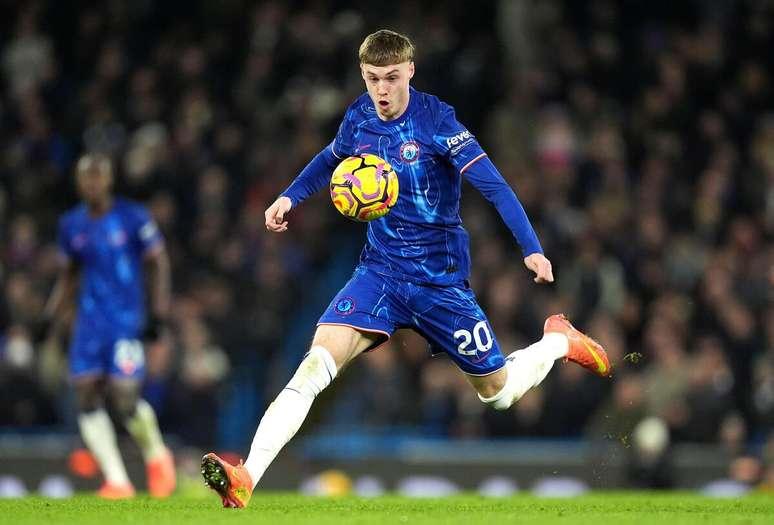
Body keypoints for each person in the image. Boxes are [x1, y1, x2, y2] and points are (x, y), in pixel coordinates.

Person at [201, 30, 611, 508]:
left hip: (440, 284)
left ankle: (560, 339)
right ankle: (247, 475)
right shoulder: (359, 118)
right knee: (315, 363)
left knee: (497, 393)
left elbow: (494, 185)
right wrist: (290, 195)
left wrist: (531, 248)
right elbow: (329, 159)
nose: (382, 90)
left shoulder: (438, 121)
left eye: (392, 78)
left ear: (410, 72)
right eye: (373, 79)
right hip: (381, 275)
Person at [43, 153, 176, 498]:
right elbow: (70, 274)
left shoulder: (133, 218)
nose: (91, 182)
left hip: (126, 321)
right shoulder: (71, 224)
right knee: (86, 394)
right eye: (85, 176)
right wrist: (52, 313)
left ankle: (157, 455)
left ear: (109, 179)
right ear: (78, 181)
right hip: (89, 324)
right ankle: (117, 480)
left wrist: (158, 311)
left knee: (125, 396)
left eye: (97, 175)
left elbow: (158, 262)